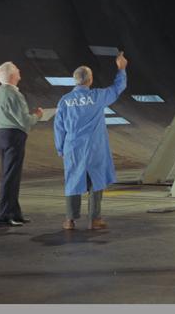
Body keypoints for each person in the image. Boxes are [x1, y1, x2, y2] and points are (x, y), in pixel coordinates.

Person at [53, 50, 127, 230]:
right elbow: (117, 88)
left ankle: (70, 220)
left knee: (72, 180)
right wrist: (122, 69)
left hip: (73, 148)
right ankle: (95, 219)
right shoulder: (97, 97)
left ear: (75, 79)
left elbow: (59, 127)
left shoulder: (65, 101)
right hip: (95, 148)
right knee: (96, 181)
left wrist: (60, 148)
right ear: (90, 80)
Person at [0, 61, 43, 228]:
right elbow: (24, 120)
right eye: (17, 70)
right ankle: (2, 216)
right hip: (14, 136)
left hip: (1, 135)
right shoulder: (14, 94)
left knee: (10, 176)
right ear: (12, 76)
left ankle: (14, 214)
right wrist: (38, 116)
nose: (20, 71)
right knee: (11, 177)